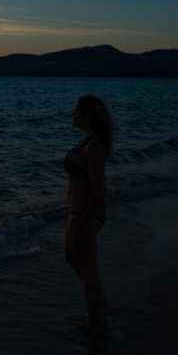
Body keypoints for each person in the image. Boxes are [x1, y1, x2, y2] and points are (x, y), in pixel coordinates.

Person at [64, 94, 113, 332]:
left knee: (88, 268)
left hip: (85, 212)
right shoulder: (86, 142)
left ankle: (95, 320)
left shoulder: (94, 147)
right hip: (77, 211)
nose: (72, 114)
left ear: (87, 116)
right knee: (71, 257)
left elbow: (97, 188)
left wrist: (85, 220)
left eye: (75, 110)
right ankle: (101, 304)